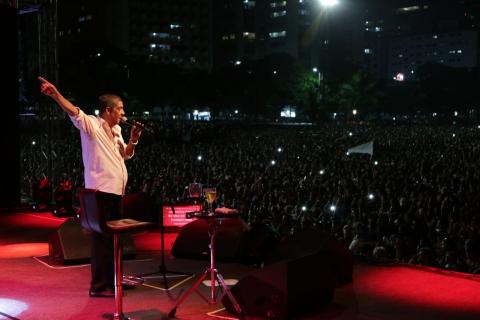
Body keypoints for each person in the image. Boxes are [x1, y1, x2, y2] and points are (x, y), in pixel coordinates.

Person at [38, 76, 143, 297]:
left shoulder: (117, 132)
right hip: (100, 193)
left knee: (114, 241)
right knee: (102, 241)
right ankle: (99, 286)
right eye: (120, 109)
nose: (124, 114)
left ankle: (113, 280)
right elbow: (73, 111)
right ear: (108, 110)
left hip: (115, 193)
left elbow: (126, 155)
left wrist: (133, 140)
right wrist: (56, 94)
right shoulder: (92, 125)